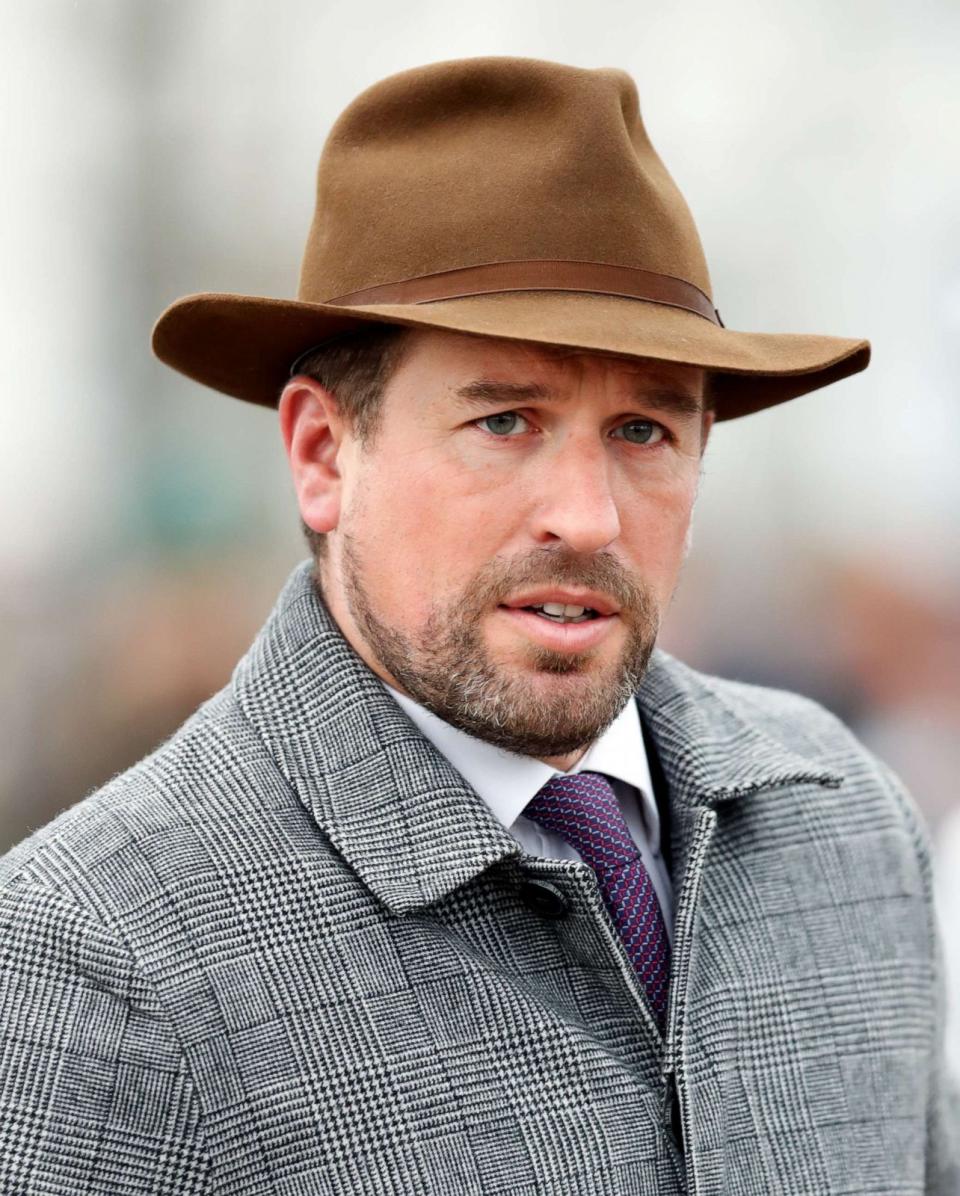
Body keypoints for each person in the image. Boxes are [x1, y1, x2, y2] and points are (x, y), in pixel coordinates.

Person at [1, 56, 956, 1195]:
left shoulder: (840, 824)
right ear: (320, 453)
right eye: (506, 419)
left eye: (646, 430)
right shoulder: (103, 945)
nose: (588, 514)